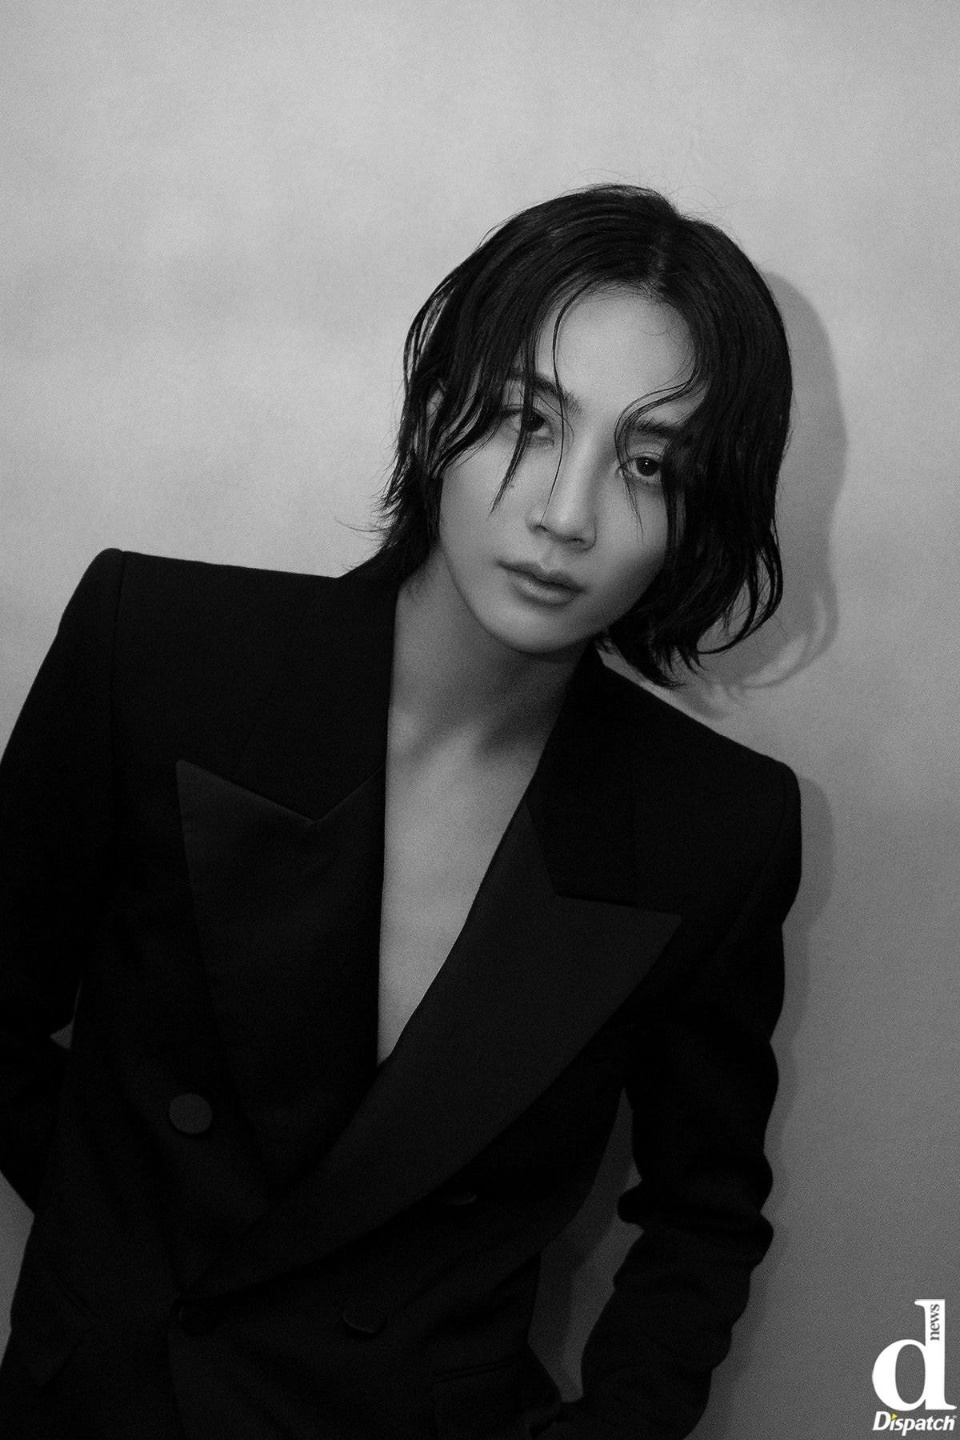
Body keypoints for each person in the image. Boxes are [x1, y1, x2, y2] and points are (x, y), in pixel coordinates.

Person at [0, 184, 801, 1440]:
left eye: (650, 463)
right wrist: (124, 1256)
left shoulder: (715, 832)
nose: (566, 514)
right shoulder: (154, 651)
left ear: (696, 514)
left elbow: (704, 1215)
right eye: (530, 422)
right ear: (435, 414)